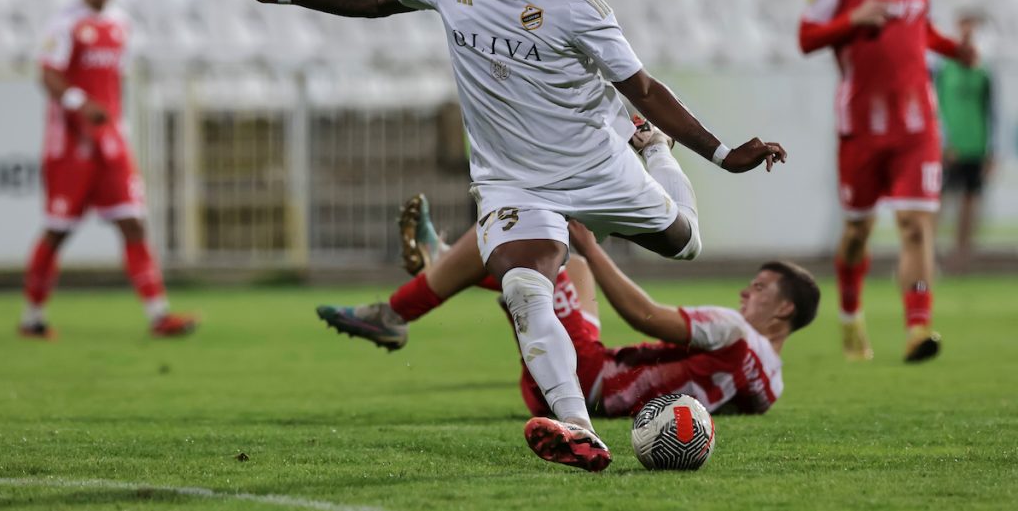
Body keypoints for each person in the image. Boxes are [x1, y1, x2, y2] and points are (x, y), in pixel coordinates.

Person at [232, 0, 787, 472]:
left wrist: (724, 154)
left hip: (598, 169)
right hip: (512, 182)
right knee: (526, 289)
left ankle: (655, 156)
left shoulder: (577, 2)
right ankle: (578, 428)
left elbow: (643, 88)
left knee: (685, 244)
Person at [317, 194, 820, 418]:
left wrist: (596, 249)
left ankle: (404, 304)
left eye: (758, 289)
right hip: (597, 389)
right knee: (547, 275)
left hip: (581, 375)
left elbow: (645, 316)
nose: (743, 294)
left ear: (783, 312)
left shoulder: (734, 330)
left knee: (527, 238)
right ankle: (443, 267)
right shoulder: (770, 385)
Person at [798, 0, 976, 363]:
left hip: (918, 124)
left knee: (916, 225)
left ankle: (919, 324)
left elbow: (923, 31)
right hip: (860, 125)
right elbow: (806, 37)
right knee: (857, 231)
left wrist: (955, 50)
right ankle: (851, 314)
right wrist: (853, 20)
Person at [21, 0, 198, 339]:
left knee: (133, 223)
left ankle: (159, 315)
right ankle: (32, 318)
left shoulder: (121, 25)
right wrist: (80, 103)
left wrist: (118, 124)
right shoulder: (65, 24)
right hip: (70, 144)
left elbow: (115, 81)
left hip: (111, 140)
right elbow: (47, 74)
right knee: (59, 229)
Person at [935, 11, 995, 272]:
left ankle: (961, 257)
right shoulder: (944, 70)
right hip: (951, 148)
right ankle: (930, 254)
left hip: (976, 148)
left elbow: (991, 113)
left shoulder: (983, 72)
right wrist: (943, 143)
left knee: (970, 204)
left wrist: (990, 150)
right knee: (941, 202)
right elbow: (934, 109)